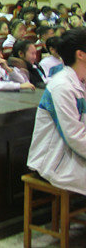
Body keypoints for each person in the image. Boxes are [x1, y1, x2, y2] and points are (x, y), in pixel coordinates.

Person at [28, 28, 86, 195]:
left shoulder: (80, 80)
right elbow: (74, 136)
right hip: (57, 160)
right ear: (80, 54)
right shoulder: (62, 86)